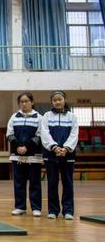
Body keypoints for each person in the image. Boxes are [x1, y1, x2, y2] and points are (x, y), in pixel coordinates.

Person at [41, 91, 78, 220]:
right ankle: (53, 210)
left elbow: (74, 134)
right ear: (52, 102)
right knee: (52, 182)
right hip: (51, 155)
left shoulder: (72, 117)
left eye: (59, 99)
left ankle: (68, 210)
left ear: (64, 100)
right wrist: (54, 147)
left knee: (68, 183)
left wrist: (66, 148)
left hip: (68, 155)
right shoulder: (46, 116)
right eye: (54, 100)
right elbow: (44, 134)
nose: (57, 102)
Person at [6, 92, 43, 217]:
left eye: (26, 101)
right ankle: (20, 206)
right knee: (19, 182)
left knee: (34, 182)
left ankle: (36, 208)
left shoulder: (39, 117)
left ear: (32, 102)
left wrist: (27, 147)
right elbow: (9, 134)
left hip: (33, 156)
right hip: (18, 155)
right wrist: (19, 147)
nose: (24, 103)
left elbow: (39, 135)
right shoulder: (14, 117)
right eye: (21, 101)